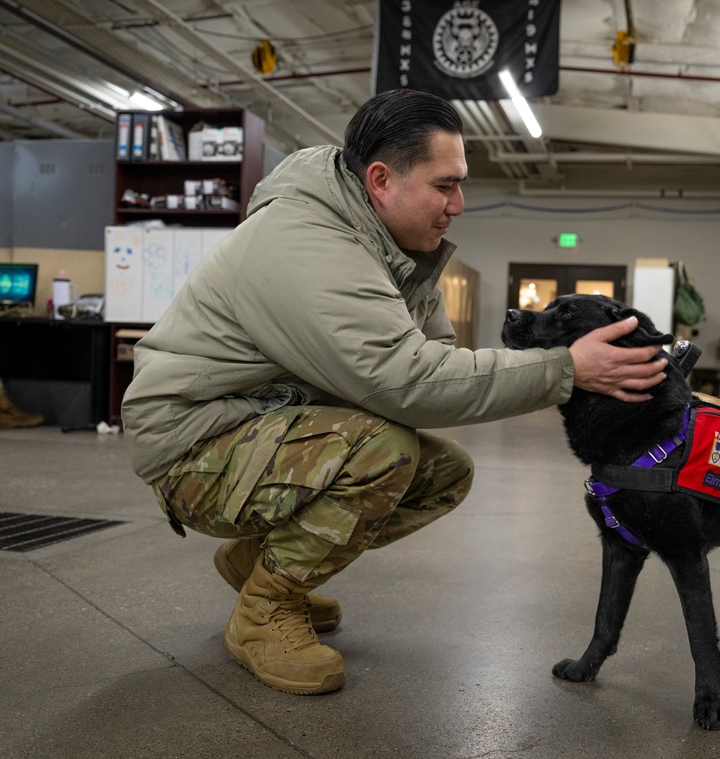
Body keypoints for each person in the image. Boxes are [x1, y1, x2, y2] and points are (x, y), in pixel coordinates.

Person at [121, 89, 667, 696]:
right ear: (381, 179)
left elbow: (437, 362)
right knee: (384, 452)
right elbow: (409, 381)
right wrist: (566, 368)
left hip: (258, 419)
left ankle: (260, 565)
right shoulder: (309, 243)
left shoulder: (392, 246)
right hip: (193, 442)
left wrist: (561, 366)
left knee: (442, 473)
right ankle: (264, 611)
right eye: (444, 186)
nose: (458, 204)